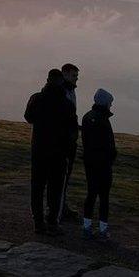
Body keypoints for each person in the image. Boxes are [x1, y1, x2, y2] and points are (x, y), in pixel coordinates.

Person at [24, 68, 79, 236]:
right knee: (55, 188)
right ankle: (53, 222)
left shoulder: (36, 98)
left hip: (39, 149)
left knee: (37, 187)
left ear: (47, 80)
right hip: (59, 152)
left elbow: (28, 117)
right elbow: (72, 129)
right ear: (61, 81)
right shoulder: (67, 104)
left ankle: (38, 223)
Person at [81, 88, 116, 240]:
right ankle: (102, 230)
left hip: (89, 162)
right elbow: (109, 145)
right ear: (106, 103)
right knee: (104, 197)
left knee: (91, 194)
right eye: (110, 103)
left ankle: (86, 226)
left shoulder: (87, 117)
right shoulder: (104, 121)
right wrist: (110, 159)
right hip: (103, 165)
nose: (111, 106)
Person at [60, 63, 80, 221]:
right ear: (65, 74)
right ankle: (58, 209)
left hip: (69, 139)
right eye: (74, 76)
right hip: (63, 141)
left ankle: (61, 206)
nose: (76, 79)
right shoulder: (62, 92)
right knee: (60, 175)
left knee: (65, 175)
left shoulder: (71, 91)